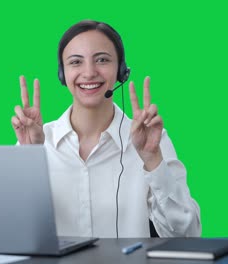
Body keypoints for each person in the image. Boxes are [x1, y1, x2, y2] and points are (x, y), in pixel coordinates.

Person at [11, 20, 201, 238]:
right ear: (62, 74)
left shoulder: (150, 140)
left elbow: (189, 235)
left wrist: (152, 159)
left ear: (121, 70)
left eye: (102, 60)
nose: (89, 72)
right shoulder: (37, 141)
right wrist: (28, 157)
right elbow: (10, 232)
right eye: (76, 62)